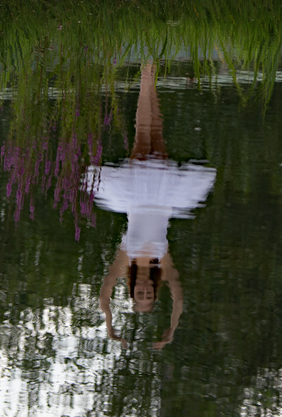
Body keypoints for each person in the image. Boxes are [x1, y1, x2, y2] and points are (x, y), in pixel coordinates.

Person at [88, 60, 216, 350]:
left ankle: (148, 74)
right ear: (154, 291)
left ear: (133, 290)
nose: (144, 292)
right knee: (155, 131)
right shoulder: (163, 262)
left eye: (139, 295)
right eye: (148, 296)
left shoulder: (126, 261)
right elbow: (180, 297)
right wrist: (170, 330)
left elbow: (104, 294)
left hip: (136, 193)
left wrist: (110, 327)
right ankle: (149, 75)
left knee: (143, 133)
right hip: (163, 196)